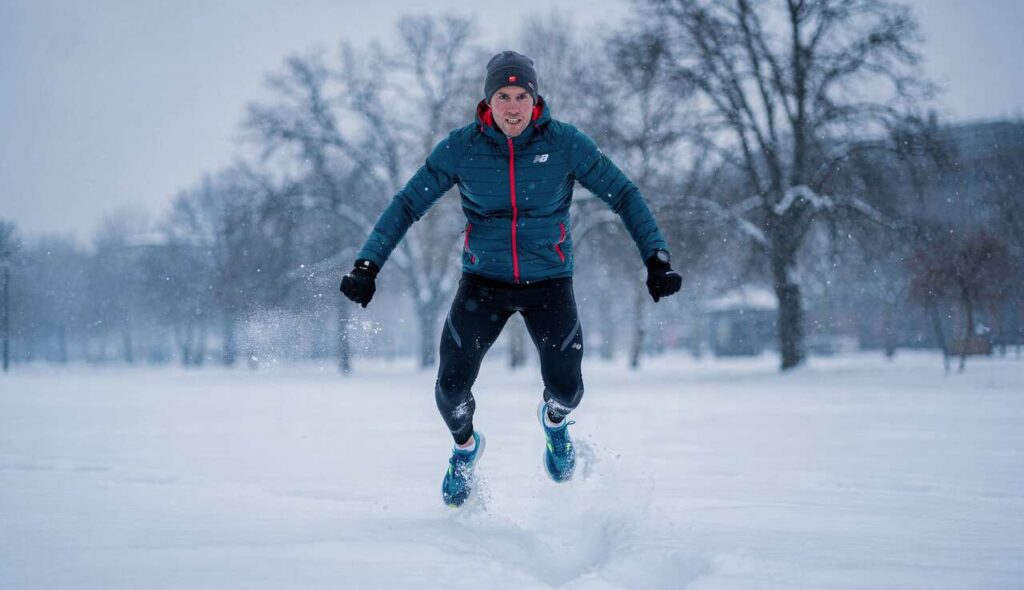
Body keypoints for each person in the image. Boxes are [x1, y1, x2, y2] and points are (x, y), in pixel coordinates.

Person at [340, 50, 682, 507]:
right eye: (503, 96)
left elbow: (623, 193)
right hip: (484, 284)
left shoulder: (565, 143)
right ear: (488, 101)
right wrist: (368, 264)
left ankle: (555, 425)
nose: (514, 107)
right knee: (450, 390)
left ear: (535, 99)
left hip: (549, 282)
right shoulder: (462, 147)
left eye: (522, 96)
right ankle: (465, 448)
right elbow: (407, 203)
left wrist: (656, 257)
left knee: (568, 390)